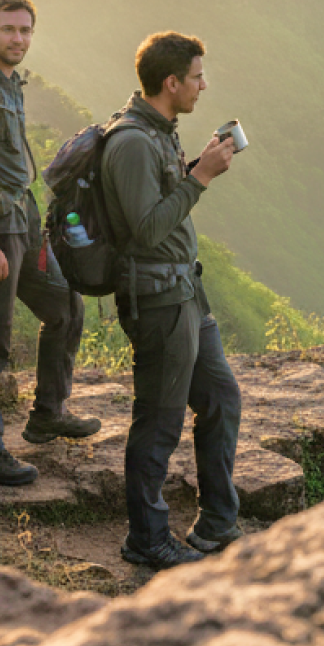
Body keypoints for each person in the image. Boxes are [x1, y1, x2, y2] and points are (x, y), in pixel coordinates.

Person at [0, 0, 100, 487]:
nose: (18, 39)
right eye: (8, 29)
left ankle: (48, 413)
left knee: (66, 306)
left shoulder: (10, 83)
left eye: (26, 30)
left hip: (22, 223)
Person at [104, 31, 241, 569]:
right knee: (158, 422)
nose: (203, 86)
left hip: (186, 292)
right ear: (171, 82)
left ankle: (217, 522)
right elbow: (145, 230)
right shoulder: (134, 141)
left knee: (221, 398)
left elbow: (160, 201)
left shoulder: (159, 130)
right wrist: (202, 178)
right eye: (197, 77)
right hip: (159, 301)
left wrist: (193, 168)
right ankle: (147, 538)